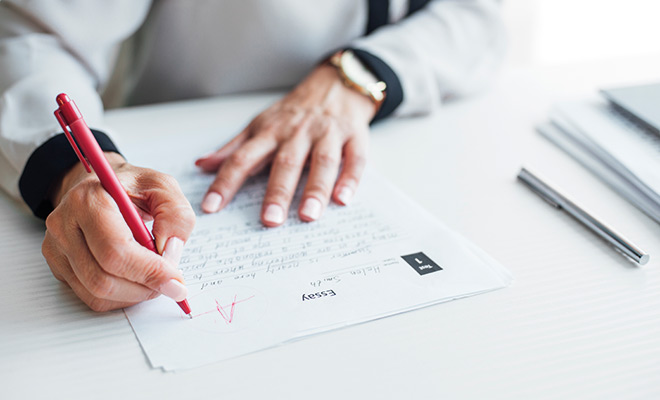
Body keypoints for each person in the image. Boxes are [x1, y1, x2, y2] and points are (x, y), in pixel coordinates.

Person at [0, 0, 506, 312]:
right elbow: (33, 37)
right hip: (184, 137)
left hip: (411, 140)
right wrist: (84, 169)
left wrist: (355, 76)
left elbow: (476, 16)